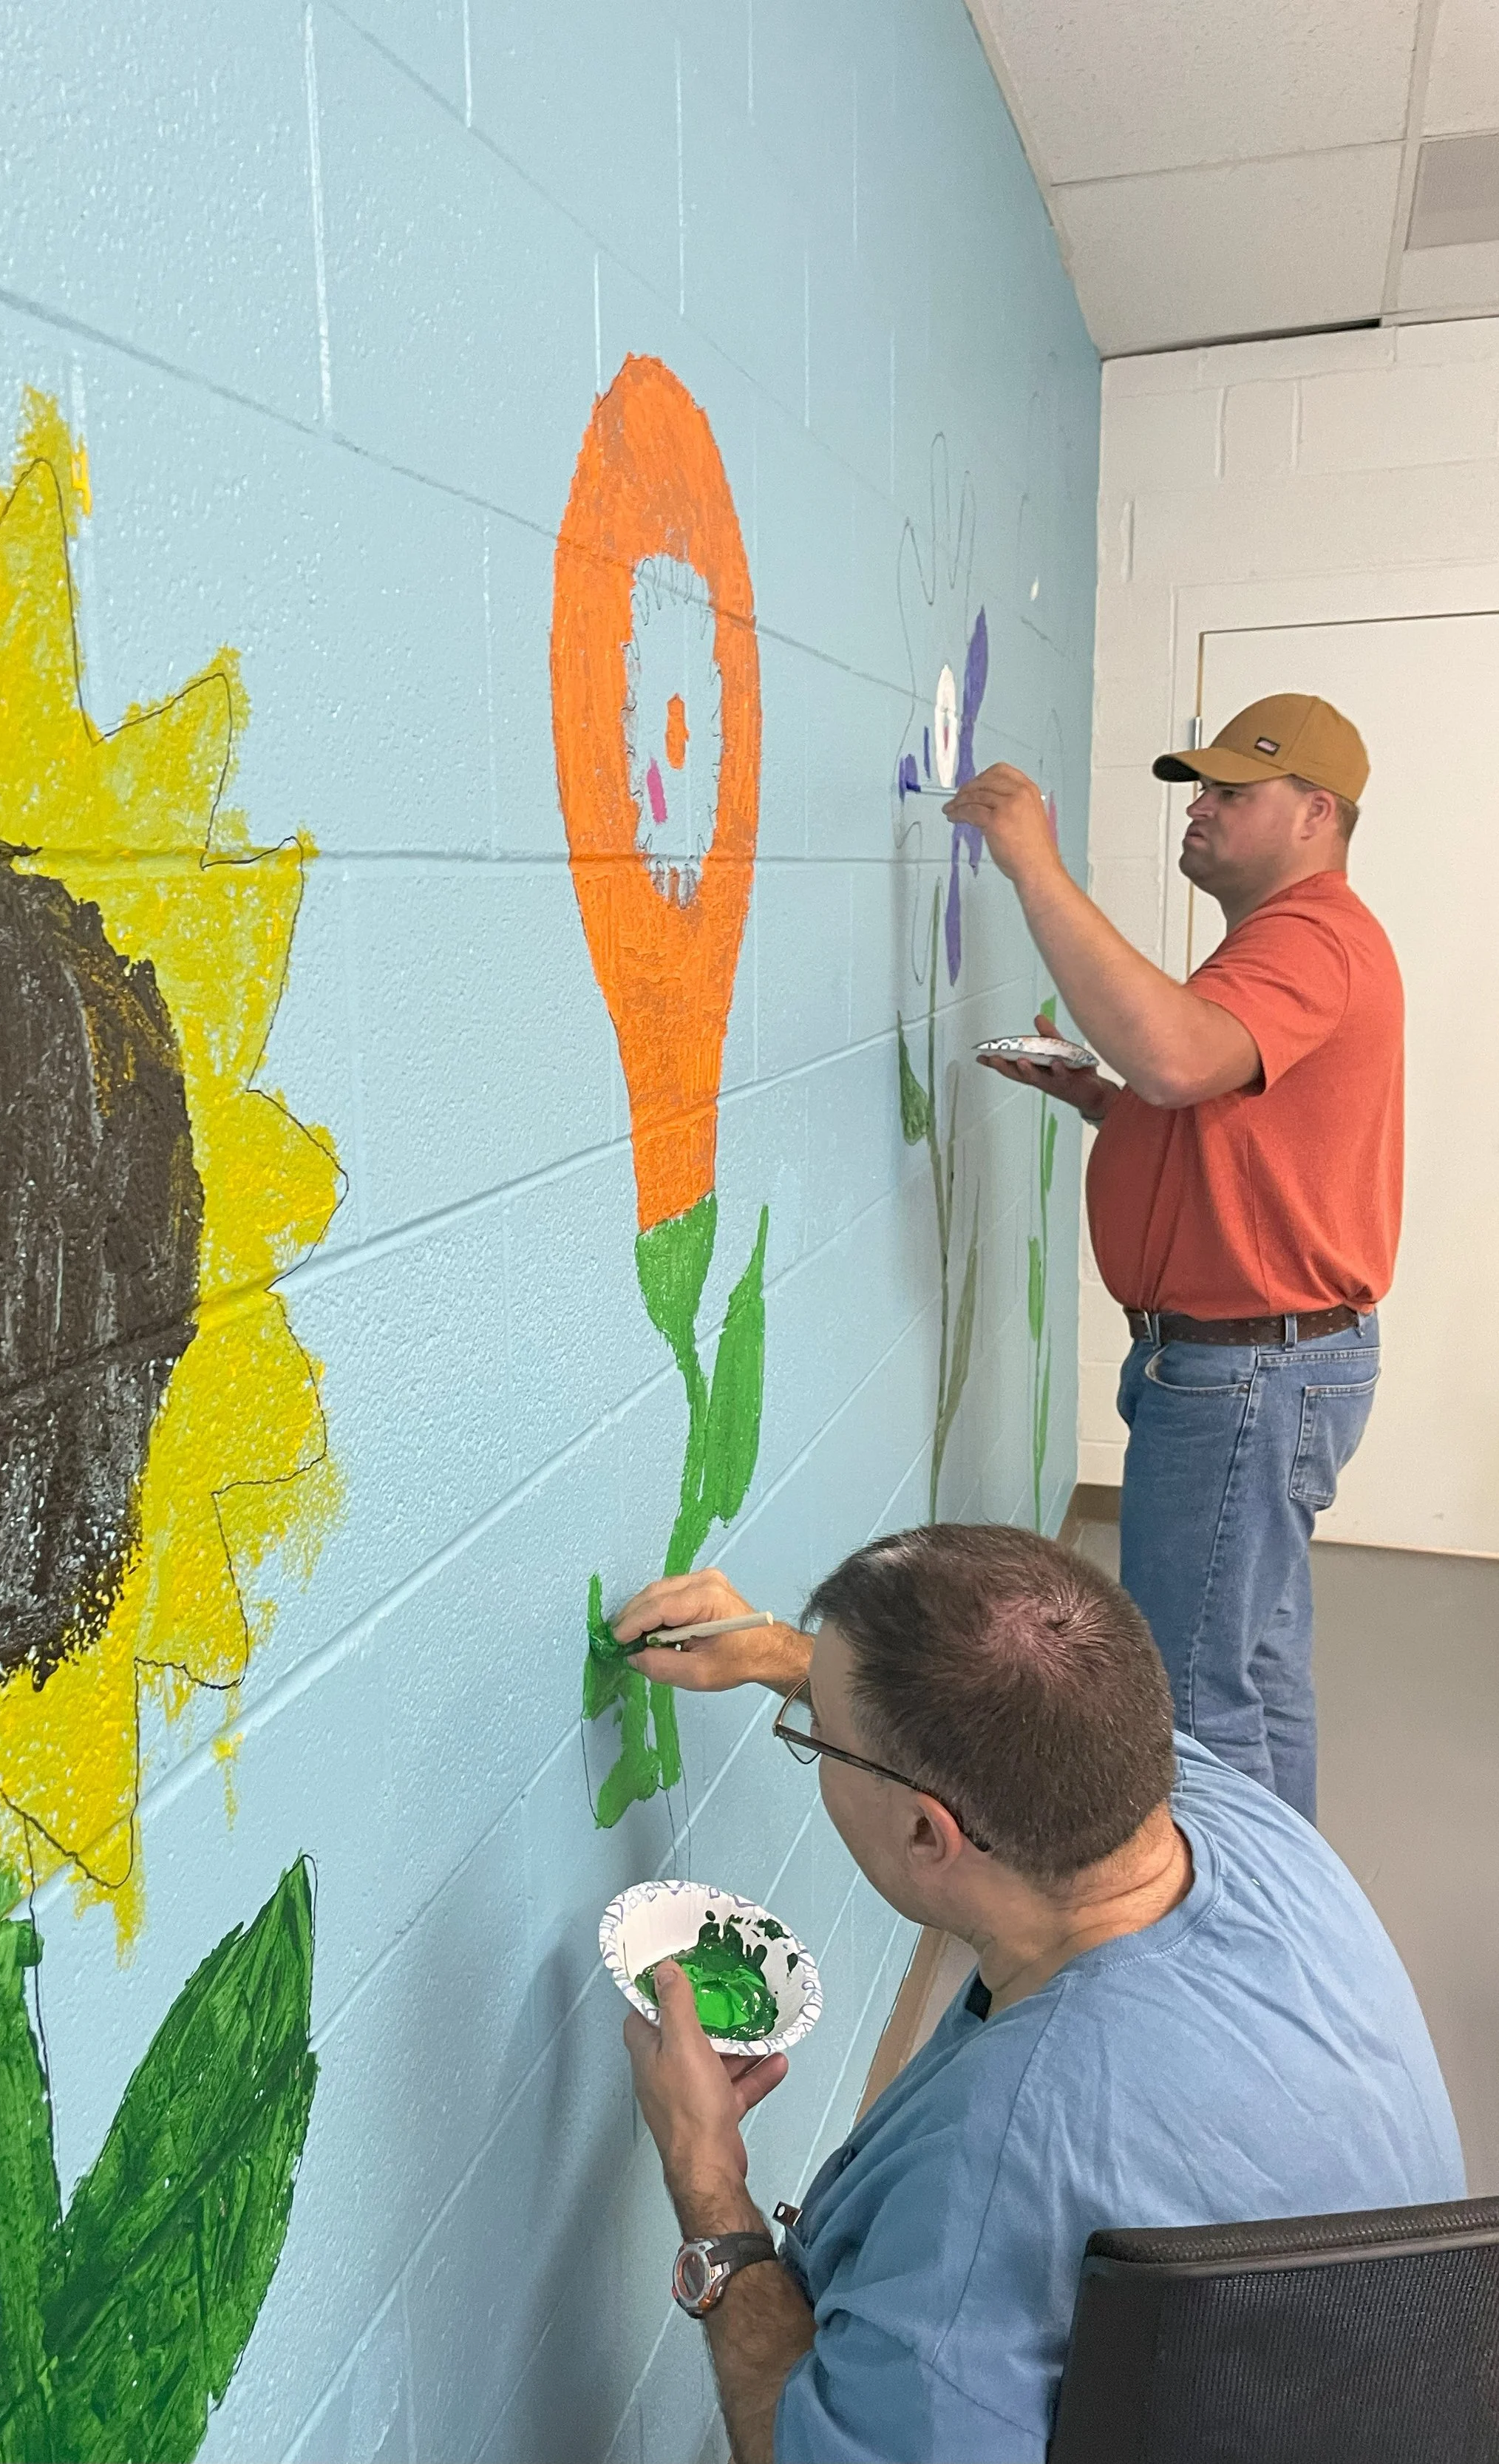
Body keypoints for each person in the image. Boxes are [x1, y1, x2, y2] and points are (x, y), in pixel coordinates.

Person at [610, 1531, 1461, 2464]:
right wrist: (786, 1655)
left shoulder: (997, 2167)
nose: (809, 1726)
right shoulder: (1234, 1817)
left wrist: (706, 2179)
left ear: (929, 1836)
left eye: (818, 1740)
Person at [956, 696, 1400, 1820]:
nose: (1196, 810)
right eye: (1195, 789)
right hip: (1264, 1362)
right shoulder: (1281, 944)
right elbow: (1209, 1118)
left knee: (1193, 1696)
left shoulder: (1310, 938)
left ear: (1315, 813)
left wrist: (1031, 865)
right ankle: (1290, 1922)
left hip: (1249, 1372)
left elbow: (1171, 1053)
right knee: (1254, 1668)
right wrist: (1094, 1095)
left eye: (1226, 793)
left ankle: (1238, 1966)